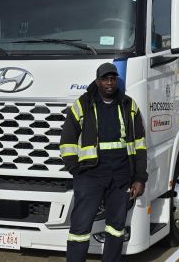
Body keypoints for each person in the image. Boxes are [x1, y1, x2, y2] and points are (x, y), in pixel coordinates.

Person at [60, 62, 147, 262]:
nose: (110, 83)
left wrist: (139, 178)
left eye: (113, 78)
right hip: (90, 175)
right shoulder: (83, 104)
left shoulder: (128, 105)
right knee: (80, 228)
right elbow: (67, 140)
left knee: (116, 228)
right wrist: (75, 169)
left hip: (121, 176)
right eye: (105, 79)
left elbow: (140, 145)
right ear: (97, 81)